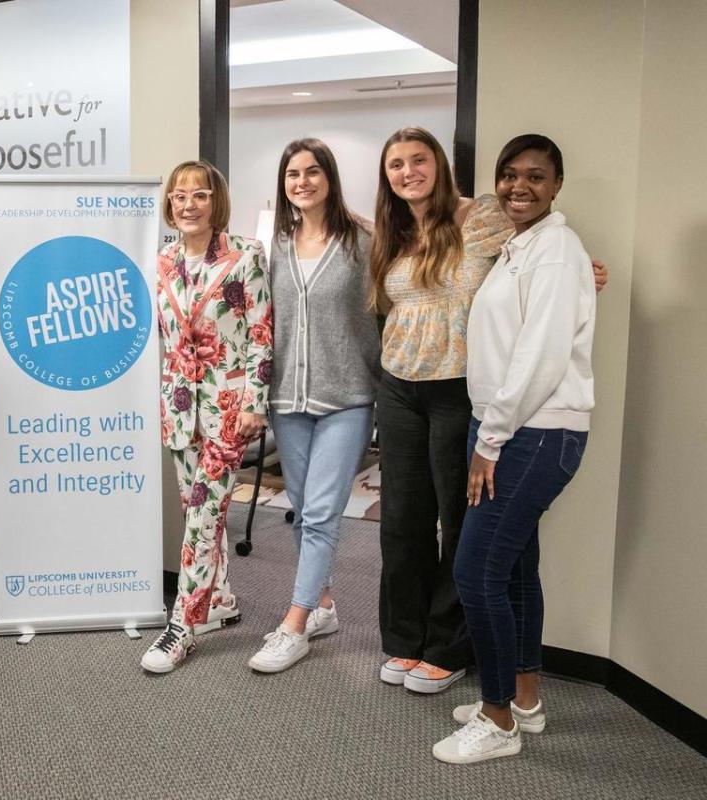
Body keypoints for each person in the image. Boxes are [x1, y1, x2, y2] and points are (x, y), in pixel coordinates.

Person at [369, 128, 606, 695]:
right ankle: (403, 640)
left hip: (459, 388)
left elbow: (545, 249)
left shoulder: (484, 218)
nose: (408, 172)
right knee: (400, 520)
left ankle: (448, 649)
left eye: (419, 160)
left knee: (458, 517)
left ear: (440, 165)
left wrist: (589, 276)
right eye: (397, 164)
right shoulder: (391, 231)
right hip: (400, 384)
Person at [433, 134, 594, 763]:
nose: (518, 187)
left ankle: (497, 721)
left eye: (535, 177)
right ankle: (524, 701)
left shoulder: (555, 252)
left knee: (476, 572)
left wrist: (491, 439)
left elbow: (541, 356)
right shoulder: (520, 247)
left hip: (533, 432)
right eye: (509, 175)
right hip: (509, 426)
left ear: (557, 186)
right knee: (516, 570)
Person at [246, 139, 380, 673]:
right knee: (303, 510)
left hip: (347, 397)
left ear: (330, 178)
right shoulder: (273, 244)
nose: (302, 182)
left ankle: (294, 623)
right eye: (292, 174)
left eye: (312, 172)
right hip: (287, 398)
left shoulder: (364, 239)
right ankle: (324, 605)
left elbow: (421, 271)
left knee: (322, 511)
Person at [141, 159, 272, 673]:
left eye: (198, 195)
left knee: (202, 517)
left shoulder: (245, 257)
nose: (188, 204)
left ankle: (183, 626)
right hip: (178, 406)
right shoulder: (163, 260)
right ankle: (220, 602)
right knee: (197, 511)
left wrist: (256, 404)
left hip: (227, 408)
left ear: (216, 201)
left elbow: (261, 336)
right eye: (179, 196)